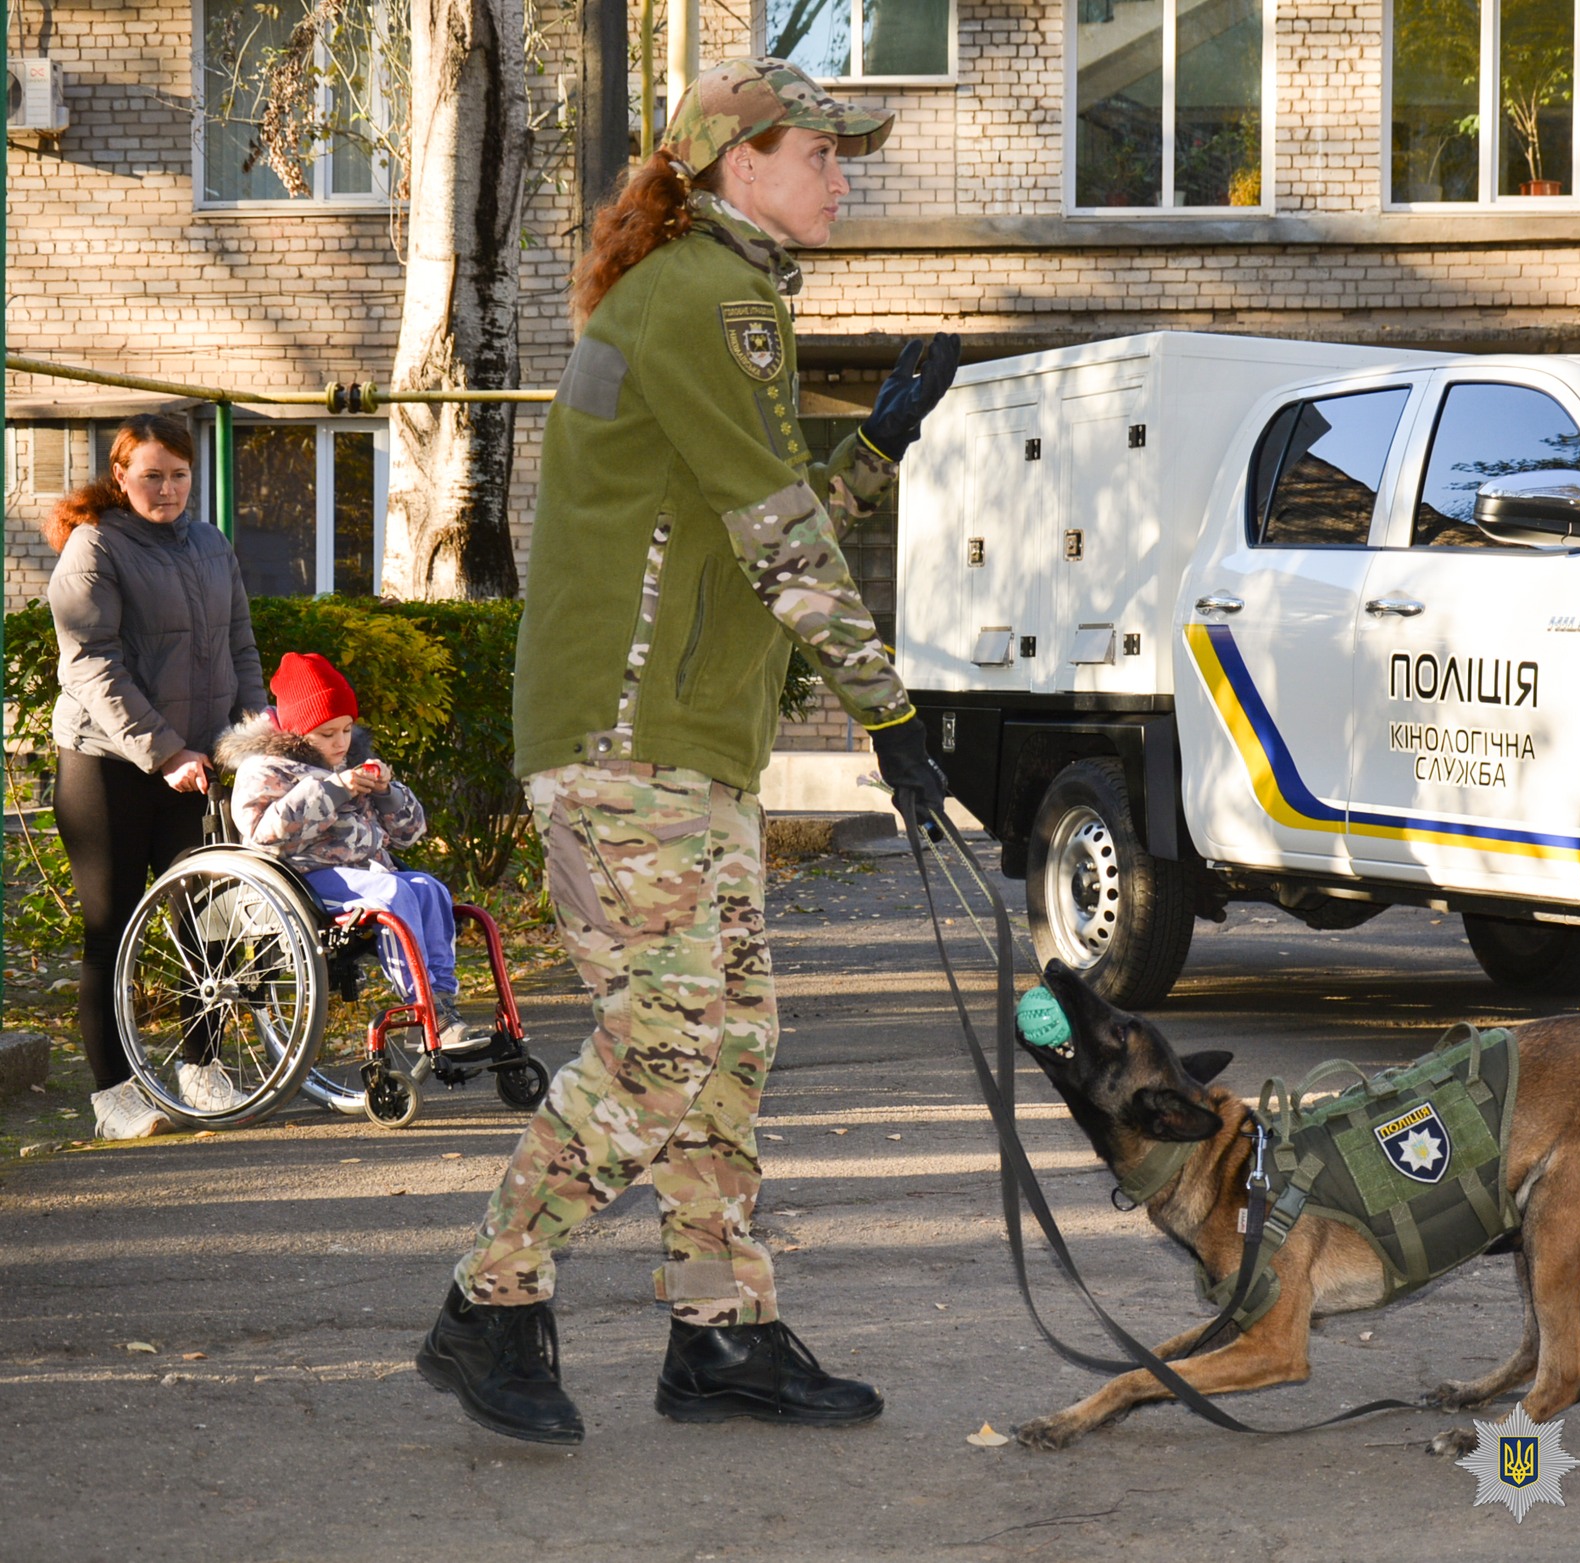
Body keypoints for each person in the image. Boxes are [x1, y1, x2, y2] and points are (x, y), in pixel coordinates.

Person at [416, 56, 958, 1446]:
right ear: (737, 166)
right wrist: (889, 715)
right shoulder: (715, 299)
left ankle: (722, 1328)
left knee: (732, 1042)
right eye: (821, 151)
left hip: (682, 745)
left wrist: (883, 440)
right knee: (663, 1045)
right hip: (628, 739)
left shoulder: (705, 297)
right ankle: (493, 1292)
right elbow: (779, 536)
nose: (844, 174)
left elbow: (742, 515)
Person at [45, 414, 268, 1139]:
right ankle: (113, 1093)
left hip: (194, 765)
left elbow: (240, 644)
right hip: (105, 765)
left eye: (178, 474)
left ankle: (199, 1068)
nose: (167, 488)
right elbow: (91, 662)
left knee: (209, 920)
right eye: (151, 475)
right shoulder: (95, 547)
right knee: (110, 928)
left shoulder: (210, 544)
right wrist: (164, 748)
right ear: (121, 477)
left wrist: (257, 736)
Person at [215, 652, 477, 1050]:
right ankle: (420, 1007)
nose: (340, 742)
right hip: (301, 880)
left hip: (365, 872)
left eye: (347, 729)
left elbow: (410, 834)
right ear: (296, 732)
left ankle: (441, 1001)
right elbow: (264, 834)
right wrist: (334, 789)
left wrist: (388, 793)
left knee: (429, 888)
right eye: (327, 734)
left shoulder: (352, 760)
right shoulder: (265, 770)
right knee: (392, 895)